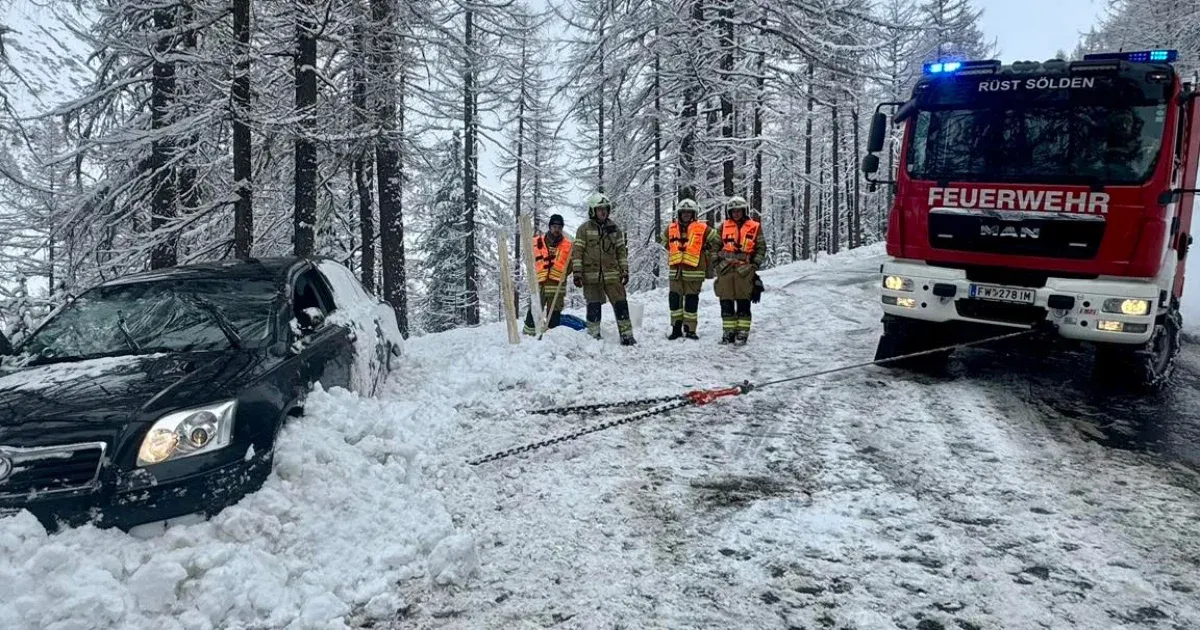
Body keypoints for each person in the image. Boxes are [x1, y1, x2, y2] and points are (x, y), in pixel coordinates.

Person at [572, 192, 637, 345]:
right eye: (599, 209)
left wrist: (625, 270)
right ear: (592, 211)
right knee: (593, 305)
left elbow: (621, 252)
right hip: (591, 275)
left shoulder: (615, 229)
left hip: (612, 274)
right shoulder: (583, 229)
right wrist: (577, 273)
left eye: (605, 209)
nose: (603, 212)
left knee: (621, 303)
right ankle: (593, 336)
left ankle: (627, 335)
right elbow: (577, 252)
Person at [663, 198, 720, 340]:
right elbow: (663, 240)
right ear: (679, 214)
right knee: (674, 300)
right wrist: (671, 248)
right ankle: (676, 328)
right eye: (684, 212)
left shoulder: (702, 228)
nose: (686, 215)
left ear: (694, 214)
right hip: (676, 272)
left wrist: (706, 249)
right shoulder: (671, 228)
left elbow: (718, 240)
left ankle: (690, 329)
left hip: (694, 272)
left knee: (691, 301)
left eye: (689, 212)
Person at [714, 196, 765, 345]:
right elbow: (714, 247)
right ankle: (728, 332)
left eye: (739, 211)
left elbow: (761, 248)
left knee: (743, 303)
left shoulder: (755, 226)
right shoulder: (722, 227)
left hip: (745, 271)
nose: (736, 213)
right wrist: (716, 264)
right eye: (733, 211)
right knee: (726, 302)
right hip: (725, 270)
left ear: (744, 211)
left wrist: (754, 265)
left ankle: (742, 332)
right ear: (729, 212)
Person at [523, 214, 573, 336]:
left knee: (554, 316)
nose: (557, 230)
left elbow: (571, 265)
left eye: (559, 227)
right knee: (534, 311)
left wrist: (562, 272)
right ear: (550, 227)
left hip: (557, 286)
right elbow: (529, 259)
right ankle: (528, 336)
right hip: (540, 284)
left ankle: (550, 339)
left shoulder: (568, 245)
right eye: (554, 227)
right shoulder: (537, 242)